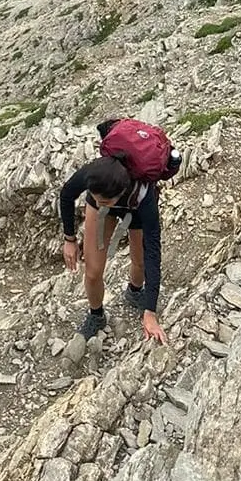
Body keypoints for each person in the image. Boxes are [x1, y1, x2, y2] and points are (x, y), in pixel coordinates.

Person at [59, 147, 171, 346]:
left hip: (135, 209)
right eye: (93, 196)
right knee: (92, 272)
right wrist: (69, 239)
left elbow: (153, 252)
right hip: (105, 209)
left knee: (140, 262)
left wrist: (150, 312)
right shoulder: (93, 174)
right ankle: (96, 314)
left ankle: (135, 292)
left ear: (119, 193)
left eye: (103, 200)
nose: (96, 200)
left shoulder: (145, 199)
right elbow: (67, 194)